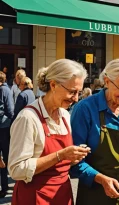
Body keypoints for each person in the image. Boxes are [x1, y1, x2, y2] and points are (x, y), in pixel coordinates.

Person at [8, 59, 90, 204]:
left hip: (62, 194)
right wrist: (60, 155)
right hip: (35, 197)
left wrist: (70, 159)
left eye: (79, 92)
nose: (76, 99)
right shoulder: (28, 118)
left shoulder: (64, 115)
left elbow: (57, 164)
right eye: (72, 92)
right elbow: (16, 169)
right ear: (53, 85)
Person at [70, 59, 119, 205]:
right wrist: (100, 178)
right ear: (107, 81)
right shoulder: (85, 109)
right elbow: (74, 160)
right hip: (95, 194)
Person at [0, 71, 14, 197]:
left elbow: (10, 110)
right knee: (5, 157)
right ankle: (5, 187)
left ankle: (4, 187)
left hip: (3, 127)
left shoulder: (3, 90)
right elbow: (10, 110)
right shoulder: (7, 90)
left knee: (4, 158)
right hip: (5, 126)